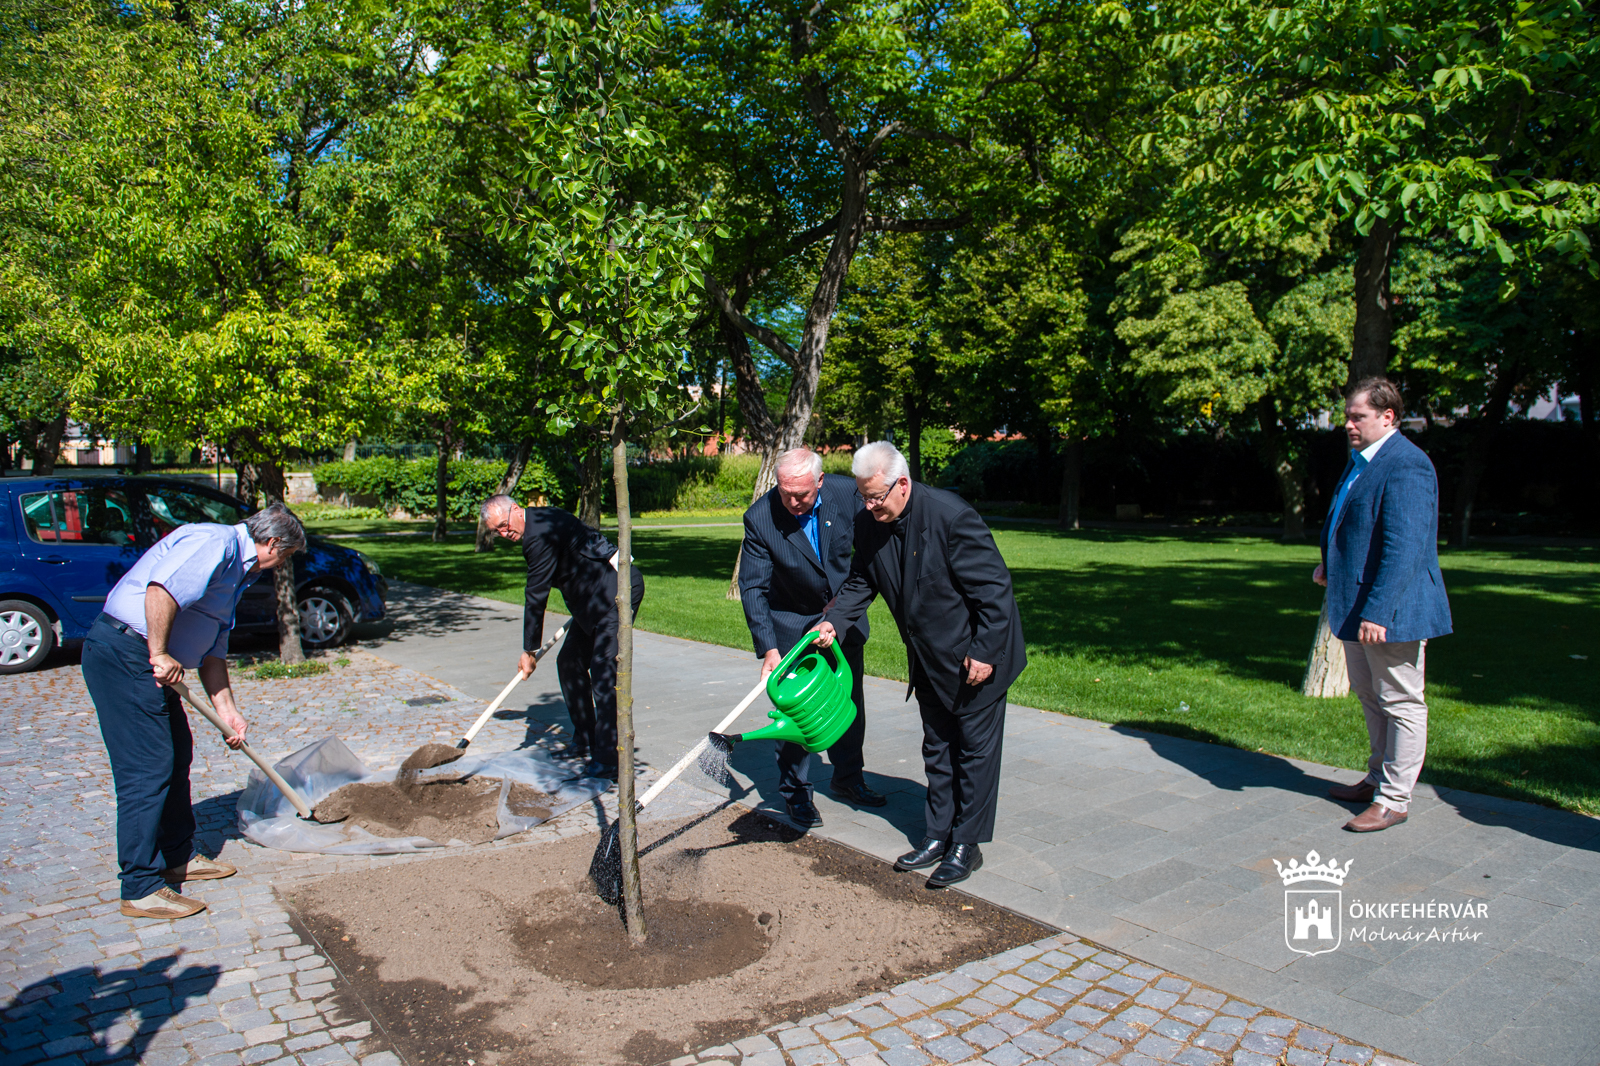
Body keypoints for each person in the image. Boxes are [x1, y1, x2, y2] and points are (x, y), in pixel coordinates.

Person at [813, 441, 1026, 887]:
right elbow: (861, 580)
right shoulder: (869, 522)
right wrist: (834, 621)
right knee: (938, 748)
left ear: (903, 485)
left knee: (974, 753)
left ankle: (966, 845)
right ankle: (937, 835)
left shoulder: (952, 517)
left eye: (876, 497)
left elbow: (995, 591)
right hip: (927, 657)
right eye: (863, 497)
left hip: (975, 658)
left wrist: (985, 651)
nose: (869, 506)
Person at [83, 503, 305, 919]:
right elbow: (160, 591)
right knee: (147, 768)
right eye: (286, 556)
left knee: (177, 755)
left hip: (155, 663)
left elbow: (212, 651)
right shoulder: (215, 543)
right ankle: (140, 886)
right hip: (129, 655)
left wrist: (228, 712)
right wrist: (159, 653)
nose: (281, 565)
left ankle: (177, 856)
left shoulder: (237, 572)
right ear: (274, 543)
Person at [1314, 378, 1452, 833]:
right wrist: (1330, 565)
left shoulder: (1407, 464)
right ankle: (1377, 778)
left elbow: (1405, 547)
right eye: (1347, 416)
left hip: (1390, 611)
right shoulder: (1363, 460)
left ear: (1387, 416)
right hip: (1356, 602)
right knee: (1370, 695)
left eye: (1358, 417)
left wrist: (1379, 610)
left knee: (1401, 701)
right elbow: (1354, 525)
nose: (1348, 424)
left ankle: (1394, 800)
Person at [738, 448, 885, 828]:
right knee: (796, 715)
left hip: (843, 618)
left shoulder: (847, 494)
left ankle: (848, 777)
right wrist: (769, 649)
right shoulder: (760, 518)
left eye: (801, 494)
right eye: (785, 493)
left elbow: (870, 548)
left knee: (846, 701)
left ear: (819, 481)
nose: (792, 502)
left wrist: (842, 609)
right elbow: (753, 588)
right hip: (791, 623)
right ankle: (797, 794)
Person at [481, 495, 644, 779]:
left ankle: (608, 759)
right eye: (497, 531)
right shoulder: (542, 519)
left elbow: (536, 594)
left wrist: (529, 651)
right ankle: (585, 740)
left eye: (504, 525)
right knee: (569, 663)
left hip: (616, 594)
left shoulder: (538, 534)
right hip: (592, 602)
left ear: (516, 510)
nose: (505, 534)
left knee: (604, 673)